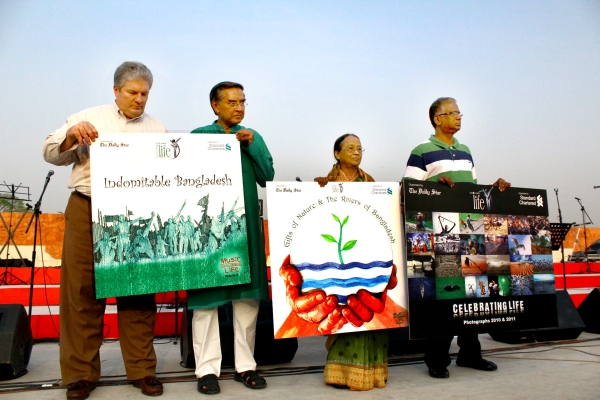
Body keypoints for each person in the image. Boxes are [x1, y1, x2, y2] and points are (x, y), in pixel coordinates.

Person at [43, 62, 165, 399]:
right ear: (116, 90)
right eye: (132, 92)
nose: (139, 99)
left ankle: (142, 369)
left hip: (136, 217)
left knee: (138, 291)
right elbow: (50, 153)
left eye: (144, 93)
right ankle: (81, 375)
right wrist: (72, 134)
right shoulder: (88, 118)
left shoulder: (156, 128)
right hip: (88, 207)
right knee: (82, 293)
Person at [403, 97, 510, 379]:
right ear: (437, 119)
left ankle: (470, 354)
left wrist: (496, 190)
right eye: (453, 113)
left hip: (469, 230)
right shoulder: (421, 151)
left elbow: (471, 192)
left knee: (471, 294)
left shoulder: (465, 151)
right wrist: (434, 185)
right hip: (441, 234)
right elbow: (408, 188)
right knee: (445, 296)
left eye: (460, 113)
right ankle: (437, 359)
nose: (459, 117)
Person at [188, 82, 273, 395]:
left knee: (247, 300)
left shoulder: (252, 136)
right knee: (206, 302)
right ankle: (206, 370)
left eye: (243, 102)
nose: (239, 108)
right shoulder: (198, 136)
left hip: (245, 227)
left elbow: (267, 176)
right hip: (208, 230)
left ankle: (245, 367)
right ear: (215, 105)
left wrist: (252, 146)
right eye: (232, 102)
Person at [314, 134, 391, 391]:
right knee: (345, 311)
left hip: (368, 259)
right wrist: (317, 190)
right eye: (350, 148)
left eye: (360, 148)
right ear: (337, 153)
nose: (357, 152)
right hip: (340, 261)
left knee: (368, 311)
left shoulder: (370, 184)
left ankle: (374, 372)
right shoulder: (326, 183)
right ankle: (341, 373)